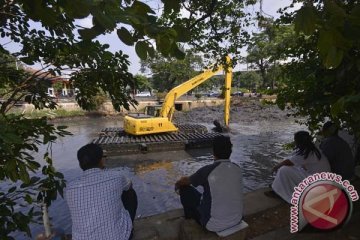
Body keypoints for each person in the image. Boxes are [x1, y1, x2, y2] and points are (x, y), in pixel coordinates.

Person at [65, 143, 137, 240]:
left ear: (80, 164)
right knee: (130, 193)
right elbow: (129, 185)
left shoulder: (70, 188)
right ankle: (127, 226)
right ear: (101, 161)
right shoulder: (116, 176)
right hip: (119, 237)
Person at [175, 135, 243, 233]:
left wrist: (177, 185)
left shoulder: (207, 171)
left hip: (213, 225)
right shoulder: (237, 169)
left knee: (185, 190)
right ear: (230, 151)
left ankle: (190, 219)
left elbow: (184, 182)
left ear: (213, 152)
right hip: (237, 219)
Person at [270, 131, 331, 203]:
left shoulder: (306, 152)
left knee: (283, 169)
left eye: (295, 140)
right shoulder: (312, 149)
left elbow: (288, 162)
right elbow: (294, 161)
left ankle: (281, 192)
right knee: (296, 167)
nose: (294, 142)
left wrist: (275, 167)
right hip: (322, 181)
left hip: (318, 183)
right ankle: (279, 188)